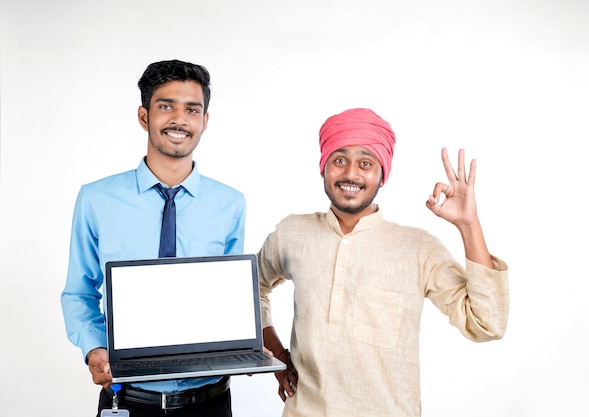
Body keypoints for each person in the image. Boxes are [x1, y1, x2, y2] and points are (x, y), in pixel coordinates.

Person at [258, 108, 509, 417]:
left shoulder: (418, 248)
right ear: (323, 167)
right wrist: (278, 358)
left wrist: (469, 226)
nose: (351, 173)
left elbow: (486, 324)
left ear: (382, 174)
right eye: (339, 160)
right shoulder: (292, 233)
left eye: (366, 163)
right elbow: (249, 292)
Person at [60, 59, 246, 417]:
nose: (179, 119)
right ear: (144, 116)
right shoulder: (96, 199)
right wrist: (94, 347)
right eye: (166, 106)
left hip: (209, 401)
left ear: (204, 121)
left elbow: (229, 297)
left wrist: (244, 341)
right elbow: (79, 291)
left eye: (192, 109)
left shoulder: (230, 204)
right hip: (129, 398)